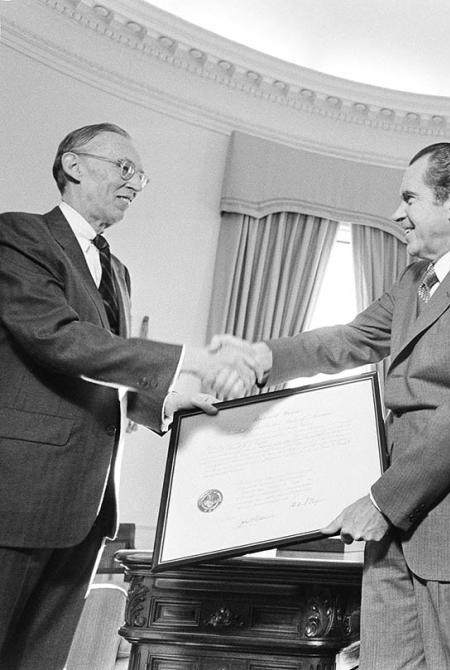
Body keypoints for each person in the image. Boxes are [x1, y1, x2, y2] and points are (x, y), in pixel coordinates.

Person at [215, 142, 450, 669]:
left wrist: (383, 500)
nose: (396, 213)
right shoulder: (412, 283)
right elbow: (348, 339)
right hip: (393, 529)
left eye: (409, 198)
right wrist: (262, 356)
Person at [0, 123, 257, 669]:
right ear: (73, 165)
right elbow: (60, 339)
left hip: (87, 505)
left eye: (140, 176)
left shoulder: (116, 269)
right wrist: (191, 357)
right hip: (16, 495)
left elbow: (107, 367)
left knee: (38, 659)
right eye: (125, 168)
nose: (136, 184)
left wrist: (168, 403)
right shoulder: (18, 236)